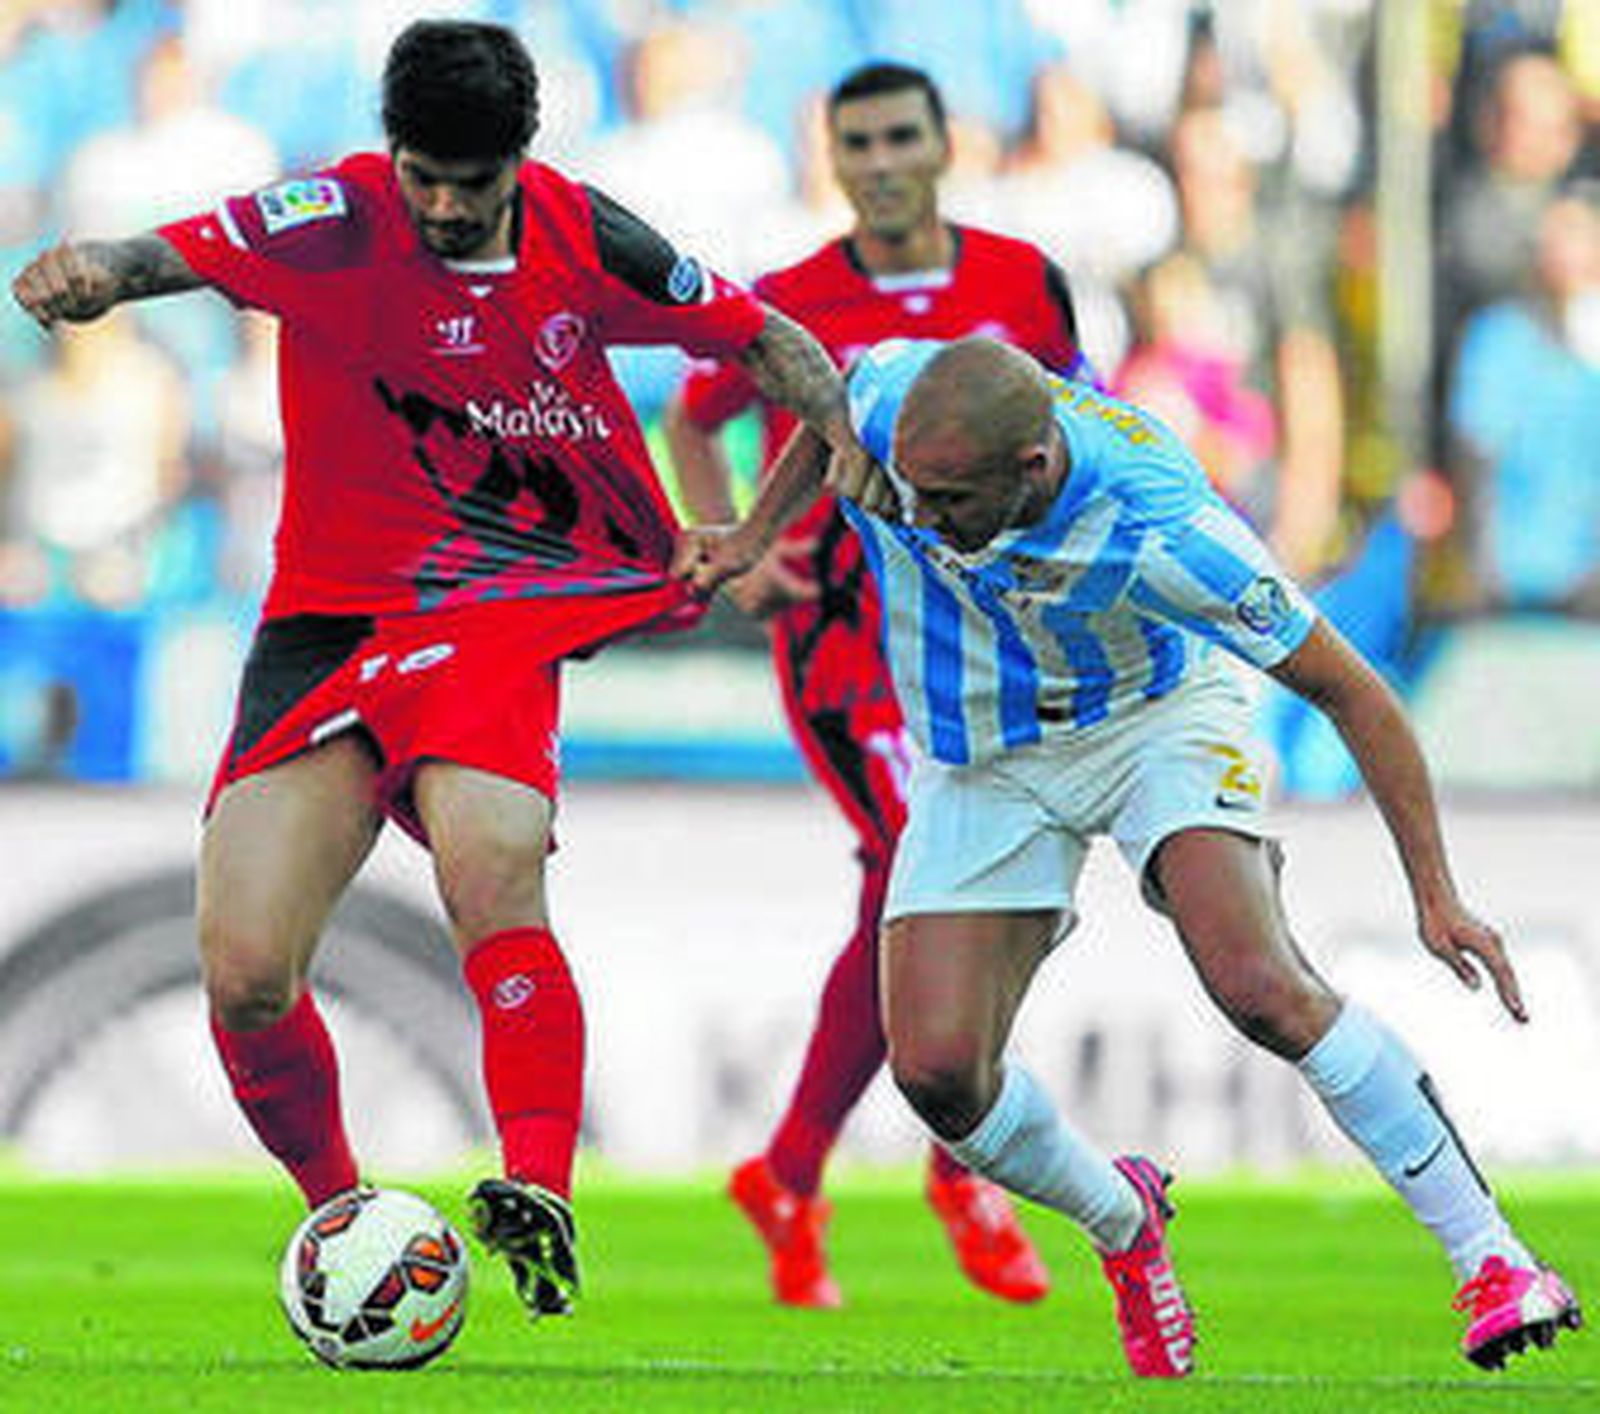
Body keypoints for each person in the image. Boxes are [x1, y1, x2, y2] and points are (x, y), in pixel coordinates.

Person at [11, 19, 867, 1323]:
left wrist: (773, 520)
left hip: (499, 614)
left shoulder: (591, 234)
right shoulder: (331, 215)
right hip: (329, 628)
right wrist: (95, 274)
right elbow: (165, 251)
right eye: (426, 177)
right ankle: (346, 1222)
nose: (448, 205)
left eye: (475, 181)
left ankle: (538, 1183)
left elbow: (774, 346)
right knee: (244, 972)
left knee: (492, 856)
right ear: (394, 151)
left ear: (522, 155)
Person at [677, 336, 1582, 1377]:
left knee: (1256, 983)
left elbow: (1353, 691)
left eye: (948, 500)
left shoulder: (1164, 523)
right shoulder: (894, 400)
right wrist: (752, 533)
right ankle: (1123, 1224)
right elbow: (826, 409)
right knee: (936, 1076)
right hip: (983, 754)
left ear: (1034, 468)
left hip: (1155, 720)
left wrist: (1437, 895)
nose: (918, 520)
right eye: (912, 493)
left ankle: (1492, 1257)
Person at [664, 61, 1085, 1310]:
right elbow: (695, 416)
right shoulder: (791, 299)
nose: (884, 159)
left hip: (990, 643)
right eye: (860, 142)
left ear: (944, 143)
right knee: (939, 869)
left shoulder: (1023, 279)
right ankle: (967, 1158)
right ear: (832, 158)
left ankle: (788, 1171)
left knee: (936, 891)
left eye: (903, 134)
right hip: (850, 651)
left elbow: (1074, 418)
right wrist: (739, 539)